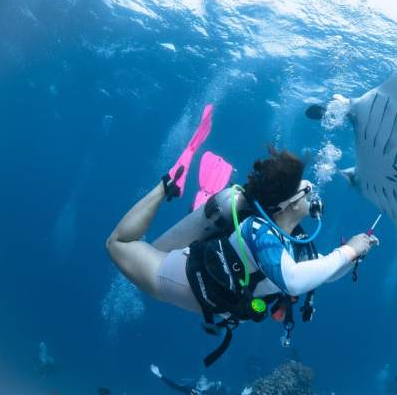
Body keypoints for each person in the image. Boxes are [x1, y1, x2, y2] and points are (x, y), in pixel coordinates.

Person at [106, 107, 379, 365]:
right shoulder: (258, 231)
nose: (313, 194)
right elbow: (294, 281)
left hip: (210, 295)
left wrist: (354, 258)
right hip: (170, 276)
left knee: (143, 242)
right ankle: (166, 185)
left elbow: (323, 272)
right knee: (118, 243)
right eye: (307, 191)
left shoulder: (293, 240)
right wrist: (349, 251)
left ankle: (200, 204)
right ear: (290, 204)